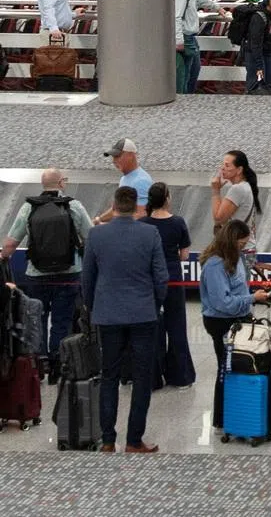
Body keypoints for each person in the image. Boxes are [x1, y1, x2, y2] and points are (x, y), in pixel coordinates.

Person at [81, 186, 167, 453]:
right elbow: (161, 277)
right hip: (143, 314)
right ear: (136, 206)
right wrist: (154, 305)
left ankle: (107, 439)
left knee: (110, 376)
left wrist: (96, 307)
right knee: (142, 377)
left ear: (114, 205)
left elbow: (88, 278)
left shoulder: (96, 234)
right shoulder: (150, 233)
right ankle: (133, 440)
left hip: (108, 315)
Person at [0, 167, 93, 379]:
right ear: (61, 183)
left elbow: (10, 244)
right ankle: (59, 364)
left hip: (36, 275)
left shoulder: (28, 208)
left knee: (37, 318)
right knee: (62, 319)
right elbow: (90, 236)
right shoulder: (73, 206)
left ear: (43, 185)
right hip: (69, 274)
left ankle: (39, 365)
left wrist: (4, 257)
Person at [198, 220, 271, 433]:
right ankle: (222, 419)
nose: (243, 248)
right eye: (241, 244)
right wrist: (251, 298)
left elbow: (237, 290)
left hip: (239, 319)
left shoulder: (235, 258)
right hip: (222, 323)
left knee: (243, 366)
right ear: (231, 242)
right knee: (226, 368)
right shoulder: (214, 265)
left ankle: (242, 414)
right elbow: (222, 303)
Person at [140, 182, 194, 390]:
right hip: (173, 278)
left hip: (151, 280)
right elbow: (184, 254)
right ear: (167, 198)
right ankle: (181, 376)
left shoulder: (144, 224)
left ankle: (152, 376)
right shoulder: (178, 222)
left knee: (151, 326)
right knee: (177, 326)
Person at [209, 149, 261, 268]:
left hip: (237, 250)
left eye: (227, 165)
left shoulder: (237, 189)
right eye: (223, 164)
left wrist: (216, 190)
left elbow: (218, 218)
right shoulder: (246, 187)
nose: (222, 168)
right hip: (247, 247)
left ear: (239, 170)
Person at [174, 0, 223, 94]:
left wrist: (217, 7)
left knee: (190, 71)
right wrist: (179, 40)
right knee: (185, 74)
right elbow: (176, 17)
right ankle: (184, 99)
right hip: (185, 37)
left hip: (187, 37)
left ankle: (186, 98)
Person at [96, 138, 152, 222]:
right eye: (113, 157)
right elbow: (117, 209)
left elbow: (142, 216)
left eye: (118, 156)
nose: (114, 161)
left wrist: (109, 227)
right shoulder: (124, 178)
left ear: (131, 155)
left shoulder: (141, 181)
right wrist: (98, 220)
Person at [242, 0, 271, 93]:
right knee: (255, 88)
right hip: (254, 54)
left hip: (267, 51)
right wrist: (259, 65)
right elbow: (255, 43)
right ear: (266, 0)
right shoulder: (258, 17)